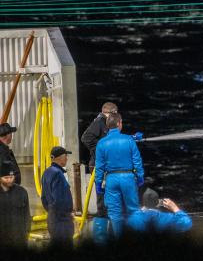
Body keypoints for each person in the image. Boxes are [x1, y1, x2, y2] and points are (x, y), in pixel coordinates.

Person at [94, 112, 144, 239]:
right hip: (128, 178)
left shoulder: (101, 143)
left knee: (115, 213)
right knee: (133, 210)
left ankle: (119, 240)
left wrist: (98, 183)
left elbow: (99, 167)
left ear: (108, 125)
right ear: (119, 123)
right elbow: (137, 161)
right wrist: (140, 176)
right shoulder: (129, 140)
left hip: (111, 179)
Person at [81, 102, 117, 244]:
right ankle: (100, 237)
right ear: (109, 113)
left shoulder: (106, 124)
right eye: (115, 114)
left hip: (104, 166)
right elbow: (86, 137)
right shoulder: (99, 122)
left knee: (109, 199)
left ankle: (109, 232)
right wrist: (101, 148)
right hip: (98, 166)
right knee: (102, 202)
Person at [41, 146, 75, 247]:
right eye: (65, 156)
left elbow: (43, 198)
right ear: (59, 157)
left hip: (52, 218)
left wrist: (51, 212)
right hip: (62, 220)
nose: (67, 158)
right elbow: (60, 199)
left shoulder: (46, 172)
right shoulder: (57, 174)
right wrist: (66, 215)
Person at [128, 188, 192, 234]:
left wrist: (140, 211)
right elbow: (186, 223)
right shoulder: (168, 218)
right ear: (159, 203)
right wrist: (175, 208)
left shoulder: (133, 219)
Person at [0, 161, 30, 248]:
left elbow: (26, 215)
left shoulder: (22, 192)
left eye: (11, 177)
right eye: (6, 178)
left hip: (19, 241)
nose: (9, 180)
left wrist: (26, 233)